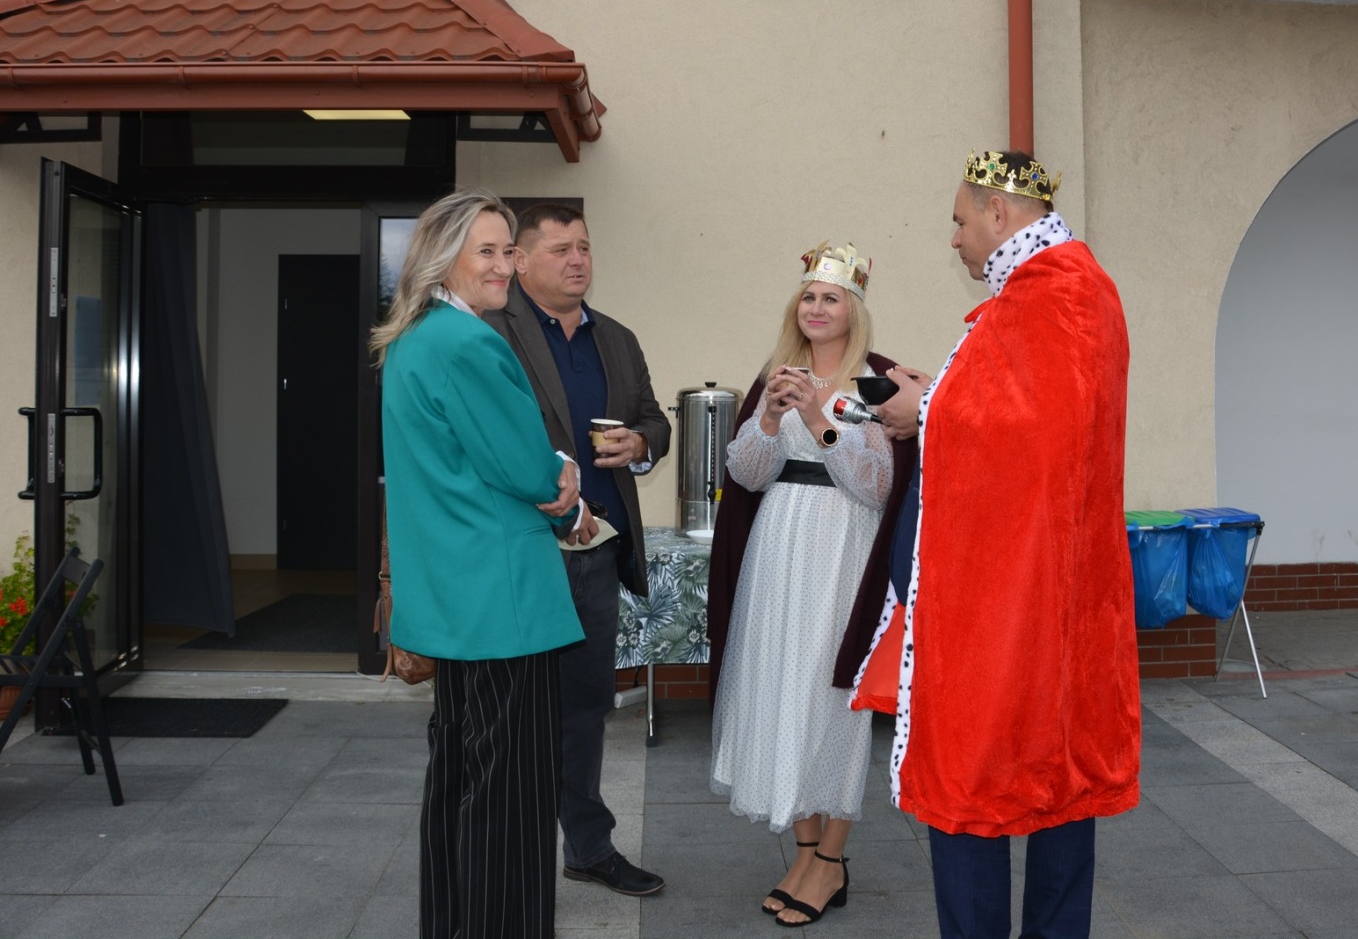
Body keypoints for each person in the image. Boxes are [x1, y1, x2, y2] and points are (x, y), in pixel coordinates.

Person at [853, 151, 1140, 939]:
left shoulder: (1055, 292)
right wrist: (936, 398)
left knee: (973, 771)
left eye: (959, 220)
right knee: (1056, 774)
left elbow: (1033, 436)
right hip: (1048, 592)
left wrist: (926, 409)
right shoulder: (1057, 289)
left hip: (1012, 598)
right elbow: (1028, 416)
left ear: (999, 214)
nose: (954, 239)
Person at [373, 188, 583, 939]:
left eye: (507, 250)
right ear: (443, 259)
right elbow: (525, 468)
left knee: (460, 783)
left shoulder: (415, 338)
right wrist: (565, 476)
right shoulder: (467, 342)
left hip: (456, 599)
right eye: (486, 251)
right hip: (503, 602)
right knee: (510, 799)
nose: (503, 266)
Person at [706, 243, 917, 929]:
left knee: (831, 698)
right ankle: (803, 852)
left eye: (831, 297)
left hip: (843, 549)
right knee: (779, 687)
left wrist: (821, 420)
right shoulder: (777, 373)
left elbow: (877, 486)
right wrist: (770, 418)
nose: (816, 308)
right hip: (778, 545)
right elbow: (746, 474)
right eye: (808, 296)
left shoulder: (876, 384)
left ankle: (831, 859)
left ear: (853, 310)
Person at [484, 201, 671, 898]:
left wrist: (641, 443)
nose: (577, 260)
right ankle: (506, 855)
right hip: (519, 554)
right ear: (520, 260)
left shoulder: (615, 338)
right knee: (509, 712)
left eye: (584, 247)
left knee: (586, 709)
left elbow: (653, 419)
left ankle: (588, 849)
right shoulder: (488, 332)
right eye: (560, 248)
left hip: (594, 554)